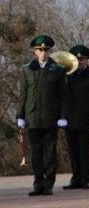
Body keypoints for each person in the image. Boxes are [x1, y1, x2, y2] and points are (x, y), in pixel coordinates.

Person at [17, 35, 69, 196]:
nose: (43, 53)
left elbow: (63, 96)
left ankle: (49, 184)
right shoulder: (27, 69)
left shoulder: (58, 70)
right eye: (40, 50)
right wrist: (20, 115)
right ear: (35, 51)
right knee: (36, 153)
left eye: (46, 50)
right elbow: (23, 94)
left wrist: (63, 116)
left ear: (49, 51)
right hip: (32, 117)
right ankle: (38, 183)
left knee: (50, 153)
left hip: (51, 117)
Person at [63, 44, 89, 190]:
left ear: (87, 60)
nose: (80, 62)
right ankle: (75, 178)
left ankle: (84, 179)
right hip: (70, 119)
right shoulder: (67, 76)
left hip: (86, 120)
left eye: (82, 59)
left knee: (83, 151)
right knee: (73, 151)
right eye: (77, 59)